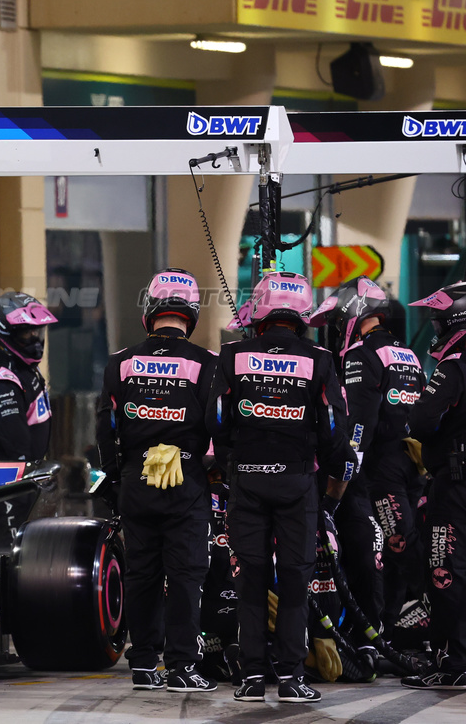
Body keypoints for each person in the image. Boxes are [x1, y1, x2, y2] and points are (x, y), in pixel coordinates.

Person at [206, 271, 354, 703]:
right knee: (294, 580)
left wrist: (231, 454)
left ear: (262, 307)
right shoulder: (321, 357)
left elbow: (215, 417)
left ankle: (252, 678)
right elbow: (332, 429)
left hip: (247, 480)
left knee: (251, 579)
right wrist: (330, 485)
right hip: (297, 484)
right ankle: (290, 678)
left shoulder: (232, 353)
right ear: (302, 310)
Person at [96, 269, 218, 692]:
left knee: (142, 574)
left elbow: (104, 425)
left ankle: (144, 664)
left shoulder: (120, 362)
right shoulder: (208, 364)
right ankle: (183, 665)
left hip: (135, 476)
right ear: (191, 313)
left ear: (151, 310)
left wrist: (115, 477)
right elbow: (218, 429)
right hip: (186, 479)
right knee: (186, 574)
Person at [308, 277, 423, 640]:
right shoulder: (406, 353)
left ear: (352, 315)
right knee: (399, 549)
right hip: (412, 461)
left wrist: (347, 466)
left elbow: (361, 420)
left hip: (378, 468)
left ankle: (396, 631)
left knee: (396, 549)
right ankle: (395, 627)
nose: (337, 329)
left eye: (339, 322)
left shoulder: (360, 355)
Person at [402, 282, 466, 689]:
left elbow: (423, 419)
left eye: (439, 322)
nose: (435, 330)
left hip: (456, 483)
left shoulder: (455, 363)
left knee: (447, 571)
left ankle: (455, 662)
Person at [0, 291, 58, 463]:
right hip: (3, 473)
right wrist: (29, 472)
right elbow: (16, 441)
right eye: (26, 334)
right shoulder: (3, 381)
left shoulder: (16, 360)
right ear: (8, 333)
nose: (35, 340)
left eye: (37, 332)